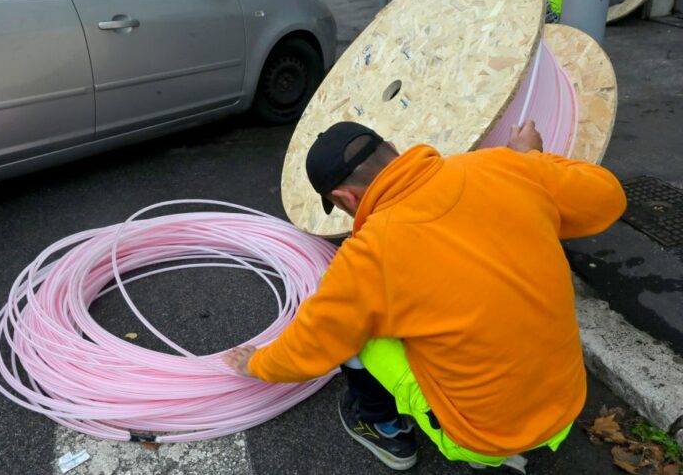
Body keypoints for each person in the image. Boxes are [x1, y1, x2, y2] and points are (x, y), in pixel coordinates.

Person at [224, 120, 626, 472]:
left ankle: (384, 428)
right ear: (395, 152)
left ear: (345, 200)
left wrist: (255, 364)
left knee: (352, 328)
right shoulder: (502, 165)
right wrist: (531, 158)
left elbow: (308, 348)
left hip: (484, 436)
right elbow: (608, 197)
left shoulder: (368, 255)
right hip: (568, 401)